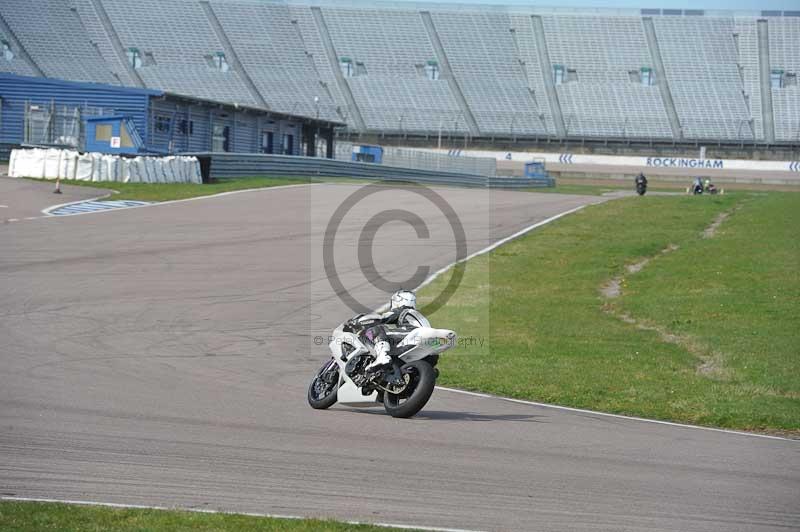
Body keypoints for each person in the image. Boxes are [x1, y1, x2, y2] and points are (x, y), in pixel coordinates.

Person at [344, 290, 429, 371]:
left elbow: (381, 318)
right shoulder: (418, 315)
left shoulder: (402, 310)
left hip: (414, 334)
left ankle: (382, 356)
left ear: (397, 301)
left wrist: (357, 321)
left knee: (375, 330)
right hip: (427, 346)